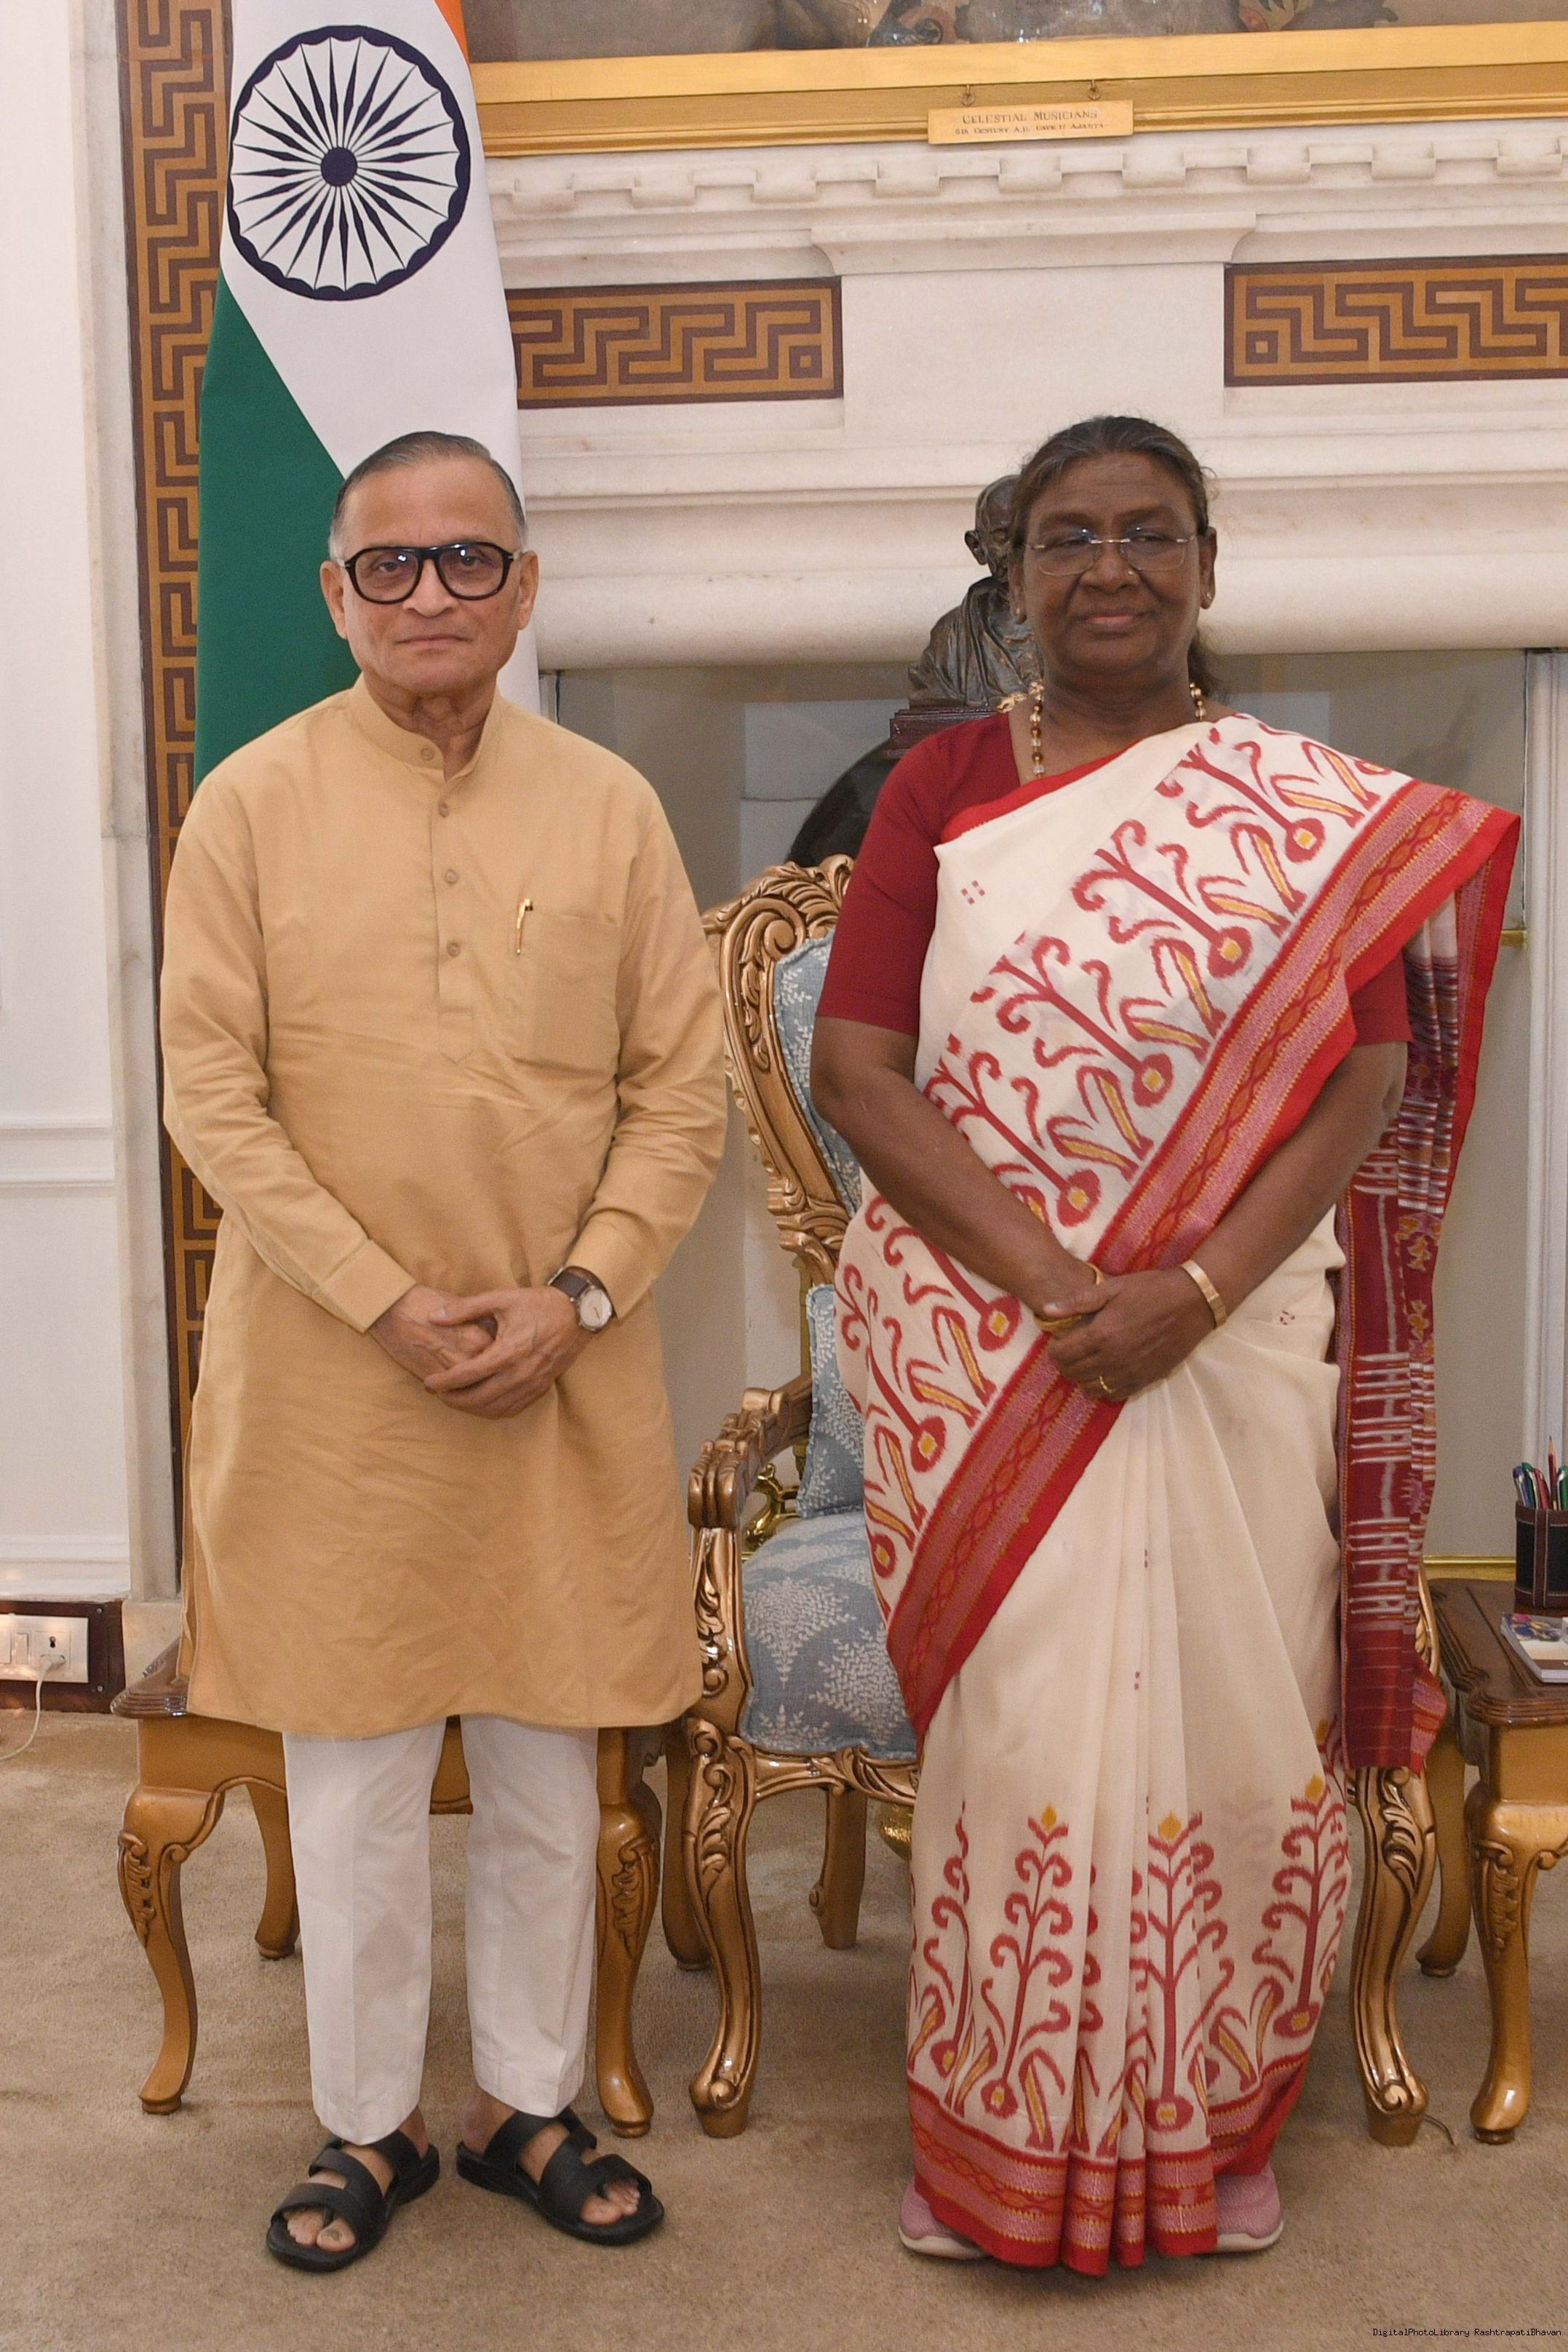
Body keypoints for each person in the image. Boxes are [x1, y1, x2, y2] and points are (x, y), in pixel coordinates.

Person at [811, 415, 1516, 2274]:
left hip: (1231, 1336)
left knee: (1232, 1725)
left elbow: (1362, 1073)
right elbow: (859, 1070)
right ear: (1015, 574)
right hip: (996, 1346)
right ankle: (998, 2146)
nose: (1107, 567)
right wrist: (1063, 1287)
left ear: (1205, 565)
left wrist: (1186, 1292)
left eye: (1145, 533)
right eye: (1066, 537)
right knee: (1019, 1734)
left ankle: (1211, 2125)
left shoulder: (1298, 808)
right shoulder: (942, 782)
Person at [159, 429, 726, 2272]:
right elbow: (212, 1098)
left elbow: (680, 1094)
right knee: (355, 1778)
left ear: (523, 586)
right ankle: (365, 2120)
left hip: (562, 1366)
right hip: (337, 1381)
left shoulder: (609, 808)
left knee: (554, 1761)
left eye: (468, 559)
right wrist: (383, 1298)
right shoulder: (248, 803)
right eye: (389, 565)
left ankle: (524, 2103)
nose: (429, 594)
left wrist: (576, 1293)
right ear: (334, 594)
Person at [907, 475, 1040, 710]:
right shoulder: (950, 640)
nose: (1016, 551)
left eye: (1027, 537)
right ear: (978, 547)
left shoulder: (1083, 626)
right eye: (1002, 538)